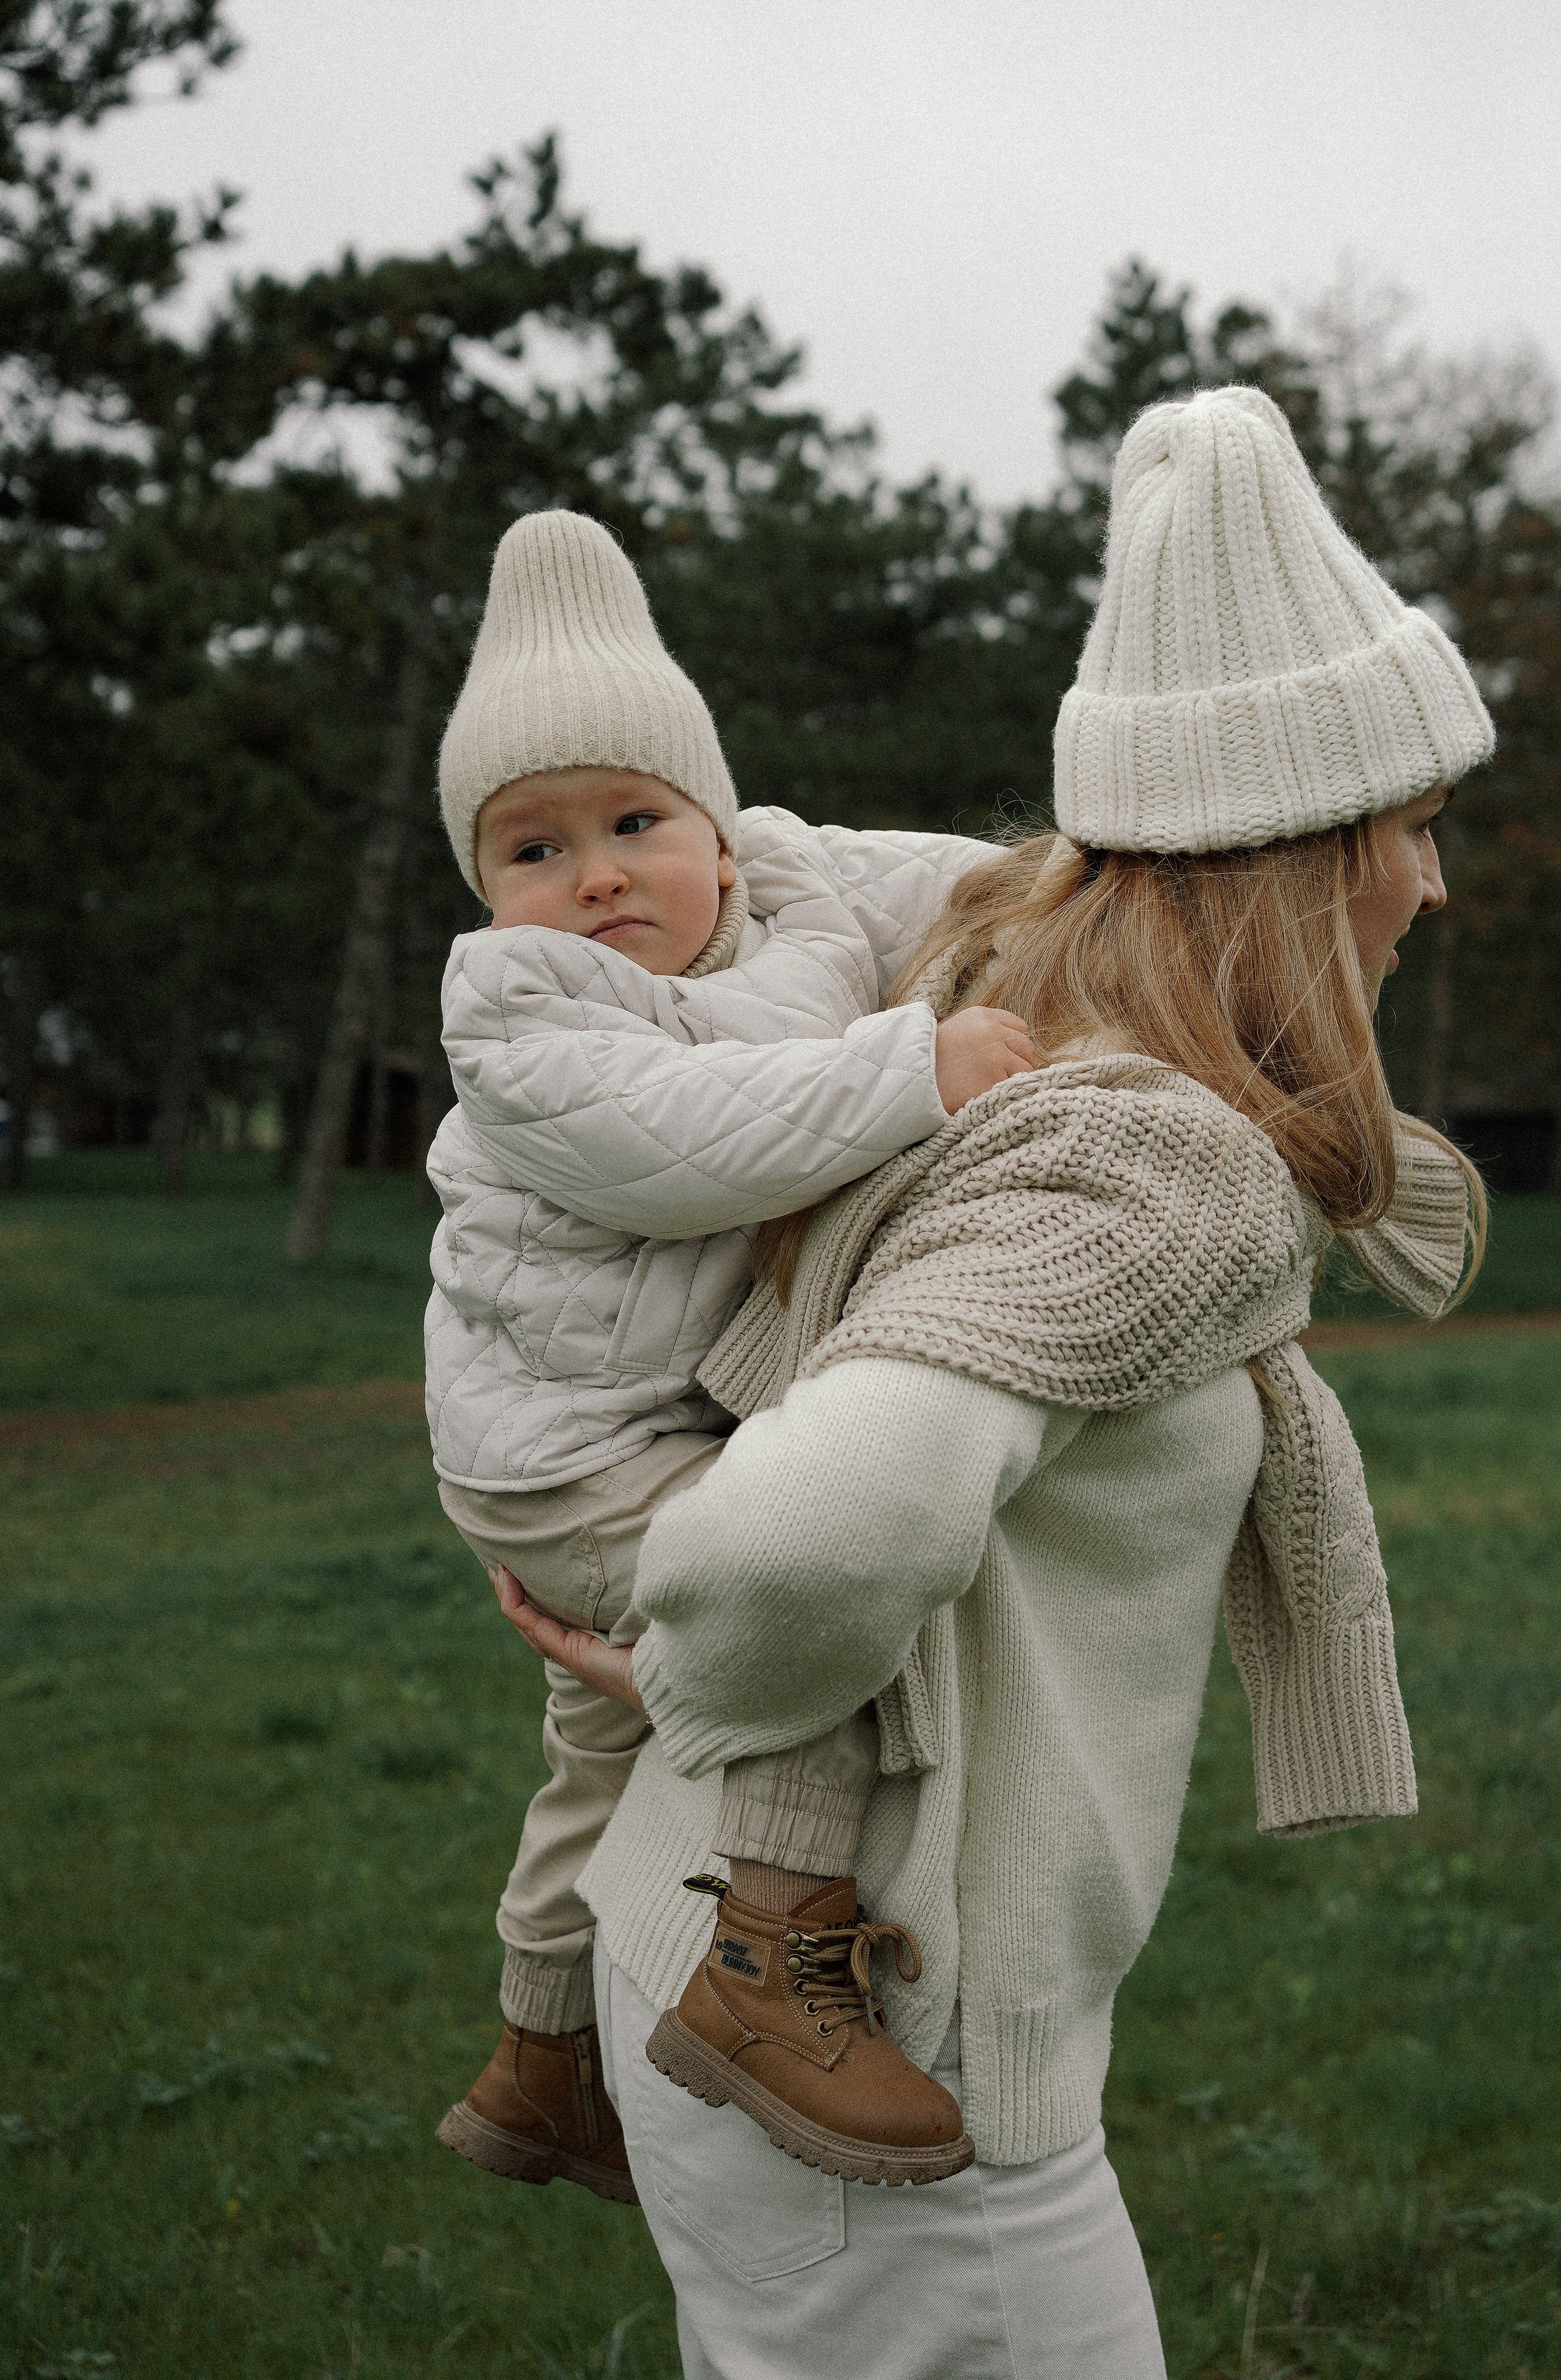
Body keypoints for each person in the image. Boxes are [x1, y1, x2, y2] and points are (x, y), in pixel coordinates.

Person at [498, 385, 1492, 2379]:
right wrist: (690, 1671)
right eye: (1410, 827)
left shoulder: (987, 1003)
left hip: (723, 1953)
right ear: (1302, 857)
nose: (1431, 884)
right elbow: (807, 1534)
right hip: (889, 2057)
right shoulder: (1154, 1161)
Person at [427, 509, 1045, 2201]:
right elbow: (691, 1136)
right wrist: (921, 1069)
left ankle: (538, 2060)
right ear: (487, 890)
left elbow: (987, 883)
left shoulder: (790, 875)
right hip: (570, 1452)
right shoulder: (520, 1017)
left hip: (641, 1411)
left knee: (597, 1744)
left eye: (635, 819)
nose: (599, 873)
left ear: (710, 812)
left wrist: (1109, 872)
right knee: (796, 1593)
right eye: (534, 848)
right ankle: (765, 1967)